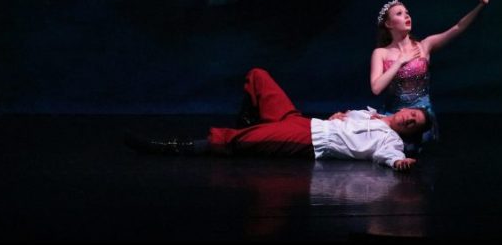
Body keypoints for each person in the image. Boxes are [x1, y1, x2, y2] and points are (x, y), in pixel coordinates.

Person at [124, 67, 432, 172]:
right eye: (411, 114)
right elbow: (341, 119)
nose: (408, 119)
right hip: (303, 121)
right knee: (259, 76)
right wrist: (340, 115)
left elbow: (388, 156)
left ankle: (173, 146)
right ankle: (251, 122)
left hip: (307, 140)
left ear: (410, 133)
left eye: (413, 123)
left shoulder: (392, 142)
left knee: (240, 141)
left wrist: (399, 163)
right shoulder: (371, 113)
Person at [371, 0, 490, 152]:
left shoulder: (424, 46)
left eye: (407, 13)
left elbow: (458, 27)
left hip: (420, 115)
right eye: (399, 13)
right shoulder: (380, 53)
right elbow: (376, 88)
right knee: (373, 136)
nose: (406, 16)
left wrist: (480, 5)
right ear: (389, 24)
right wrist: (399, 62)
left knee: (410, 144)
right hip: (394, 114)